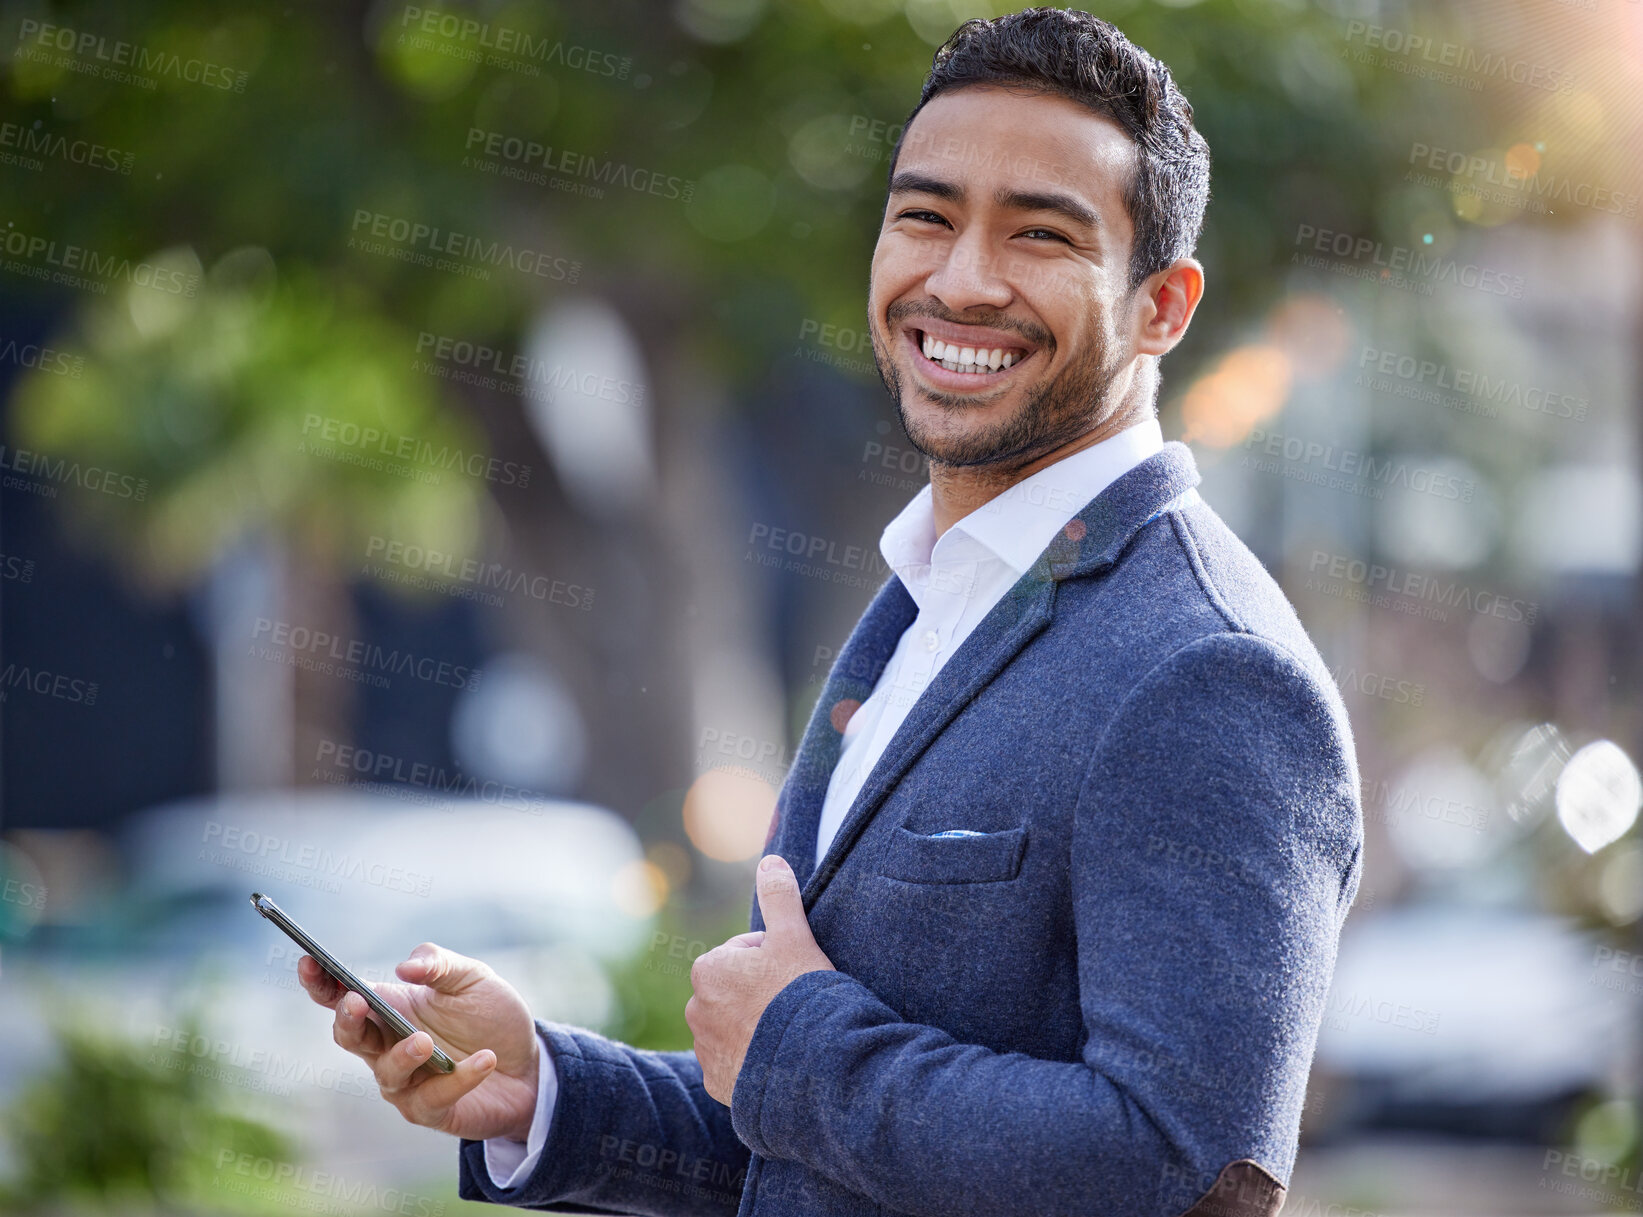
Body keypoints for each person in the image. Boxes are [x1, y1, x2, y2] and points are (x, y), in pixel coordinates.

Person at [300, 8, 1363, 1215]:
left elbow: (1183, 1174)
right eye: (924, 215)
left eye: (1039, 234)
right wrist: (541, 1087)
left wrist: (800, 1042)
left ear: (1162, 306)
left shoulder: (1206, 670)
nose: (959, 279)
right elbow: (812, 1135)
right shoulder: (926, 608)